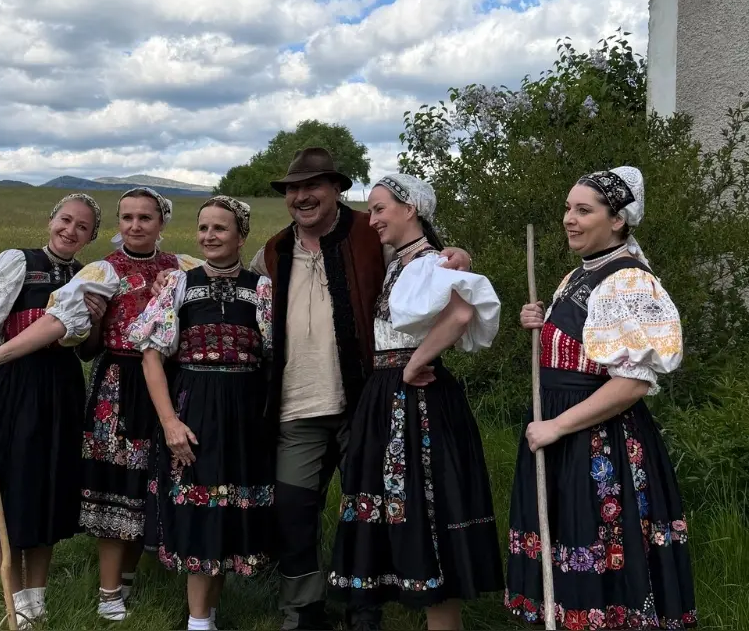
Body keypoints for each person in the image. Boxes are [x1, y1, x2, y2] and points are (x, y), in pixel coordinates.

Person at [245, 147, 472, 631]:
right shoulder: (273, 250)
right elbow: (244, 291)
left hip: (365, 401)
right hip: (295, 403)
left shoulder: (371, 235)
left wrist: (459, 256)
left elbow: (424, 259)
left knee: (367, 510)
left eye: (313, 186)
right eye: (293, 189)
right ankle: (302, 610)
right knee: (293, 510)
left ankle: (364, 609)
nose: (302, 197)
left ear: (336, 189)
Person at [0, 187, 200, 623]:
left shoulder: (183, 267)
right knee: (111, 482)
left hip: (162, 383)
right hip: (111, 383)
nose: (135, 225)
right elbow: (61, 324)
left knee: (147, 480)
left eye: (145, 217)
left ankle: (125, 579)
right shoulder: (100, 271)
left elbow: (221, 280)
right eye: (127, 217)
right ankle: (97, 593)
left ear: (161, 222)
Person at [505, 166, 697, 630]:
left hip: (598, 445)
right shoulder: (581, 275)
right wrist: (542, 323)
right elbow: (580, 349)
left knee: (600, 560)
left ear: (618, 220)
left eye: (583, 210)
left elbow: (632, 382)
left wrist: (557, 426)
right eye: (568, 208)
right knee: (564, 550)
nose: (569, 219)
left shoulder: (628, 283)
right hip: (563, 436)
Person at [327, 174, 505, 631]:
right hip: (389, 394)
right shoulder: (401, 263)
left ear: (411, 209)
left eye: (380, 208)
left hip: (417, 395)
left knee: (429, 510)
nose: (373, 219)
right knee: (399, 506)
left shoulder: (430, 261)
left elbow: (461, 313)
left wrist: (415, 363)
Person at [0, 193, 109, 629]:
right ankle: (14, 598)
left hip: (60, 389)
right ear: (51, 220)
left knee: (46, 486)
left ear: (91, 236)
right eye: (65, 220)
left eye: (82, 227)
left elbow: (87, 351)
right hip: (9, 385)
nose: (70, 230)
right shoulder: (18, 262)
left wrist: (98, 320)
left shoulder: (90, 277)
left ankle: (36, 599)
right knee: (8, 486)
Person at [128, 196, 277, 631]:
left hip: (245, 415)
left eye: (220, 228)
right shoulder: (179, 285)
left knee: (228, 512)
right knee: (200, 511)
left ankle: (208, 615)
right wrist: (169, 422)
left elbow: (274, 356)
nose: (209, 236)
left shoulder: (262, 289)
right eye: (204, 228)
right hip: (193, 410)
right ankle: (197, 622)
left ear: (241, 236)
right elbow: (151, 356)